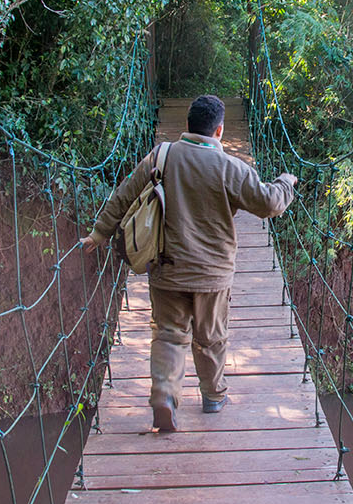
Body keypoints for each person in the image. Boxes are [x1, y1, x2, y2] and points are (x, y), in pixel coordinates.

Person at [83, 94, 297, 433]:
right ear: (219, 131)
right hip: (212, 275)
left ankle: (165, 395)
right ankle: (213, 397)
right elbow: (270, 203)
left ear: (187, 126)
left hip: (167, 268)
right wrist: (287, 182)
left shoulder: (161, 156)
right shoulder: (230, 167)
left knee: (168, 336)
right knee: (211, 337)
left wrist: (99, 233)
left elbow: (125, 195)